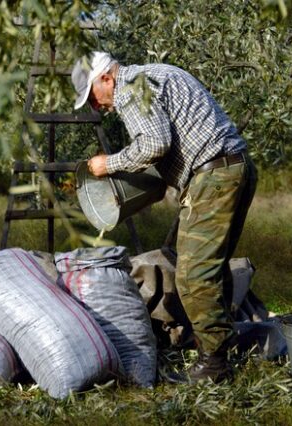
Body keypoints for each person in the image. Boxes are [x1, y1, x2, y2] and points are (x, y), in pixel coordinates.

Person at [71, 52, 258, 383]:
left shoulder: (130, 87)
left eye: (92, 98)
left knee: (193, 274)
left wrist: (108, 164)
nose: (96, 108)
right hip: (235, 167)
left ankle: (213, 364)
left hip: (214, 176)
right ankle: (220, 351)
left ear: (106, 79)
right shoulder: (154, 75)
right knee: (212, 269)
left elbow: (155, 144)